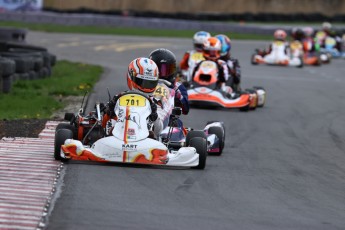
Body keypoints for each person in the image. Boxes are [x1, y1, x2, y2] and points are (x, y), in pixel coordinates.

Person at [103, 57, 162, 137]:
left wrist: (154, 116)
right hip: (117, 136)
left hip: (145, 140)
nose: (145, 86)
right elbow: (103, 125)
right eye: (142, 82)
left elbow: (159, 131)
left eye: (150, 83)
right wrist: (110, 111)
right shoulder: (119, 99)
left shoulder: (154, 104)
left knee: (152, 131)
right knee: (111, 123)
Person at [149, 48, 189, 116]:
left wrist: (178, 96)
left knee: (179, 125)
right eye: (162, 69)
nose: (164, 73)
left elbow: (186, 110)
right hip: (149, 116)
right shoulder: (146, 84)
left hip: (169, 120)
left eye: (169, 69)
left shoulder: (178, 86)